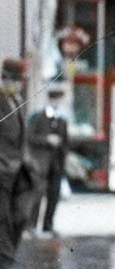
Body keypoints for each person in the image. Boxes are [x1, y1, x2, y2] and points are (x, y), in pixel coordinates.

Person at [0, 60, 35, 269]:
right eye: (17, 80)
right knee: (2, 218)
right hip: (2, 170)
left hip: (19, 171)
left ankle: (6, 260)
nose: (20, 85)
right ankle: (4, 266)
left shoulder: (17, 101)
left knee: (20, 215)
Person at [26, 88, 70, 236]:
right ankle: (32, 225)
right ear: (49, 100)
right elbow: (30, 137)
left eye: (59, 100)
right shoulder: (39, 117)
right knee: (37, 195)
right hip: (41, 163)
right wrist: (46, 139)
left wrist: (64, 161)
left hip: (56, 165)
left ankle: (48, 225)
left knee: (53, 196)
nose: (58, 103)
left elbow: (65, 143)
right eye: (55, 100)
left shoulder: (62, 120)